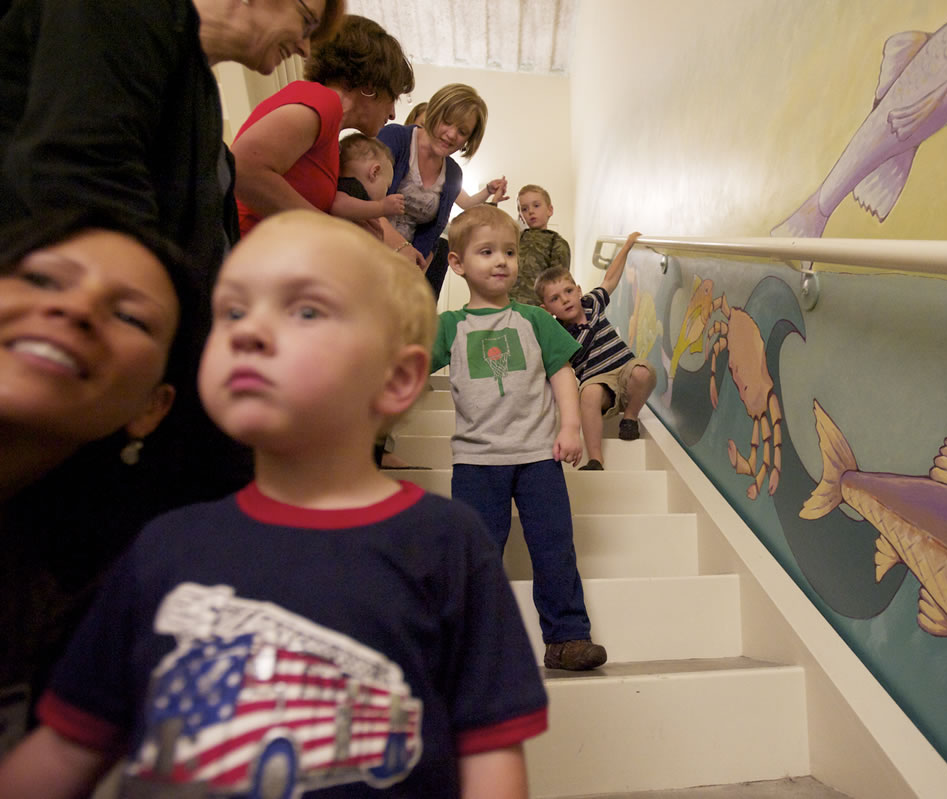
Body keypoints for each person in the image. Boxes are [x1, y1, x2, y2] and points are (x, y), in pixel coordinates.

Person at [0, 211, 548, 797]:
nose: (246, 332)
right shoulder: (162, 545)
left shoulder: (447, 543)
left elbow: (490, 752)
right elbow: (69, 747)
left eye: (306, 310)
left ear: (396, 379)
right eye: (232, 311)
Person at [0, 209, 202, 753]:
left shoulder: (75, 606)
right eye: (40, 278)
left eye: (131, 317)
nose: (75, 307)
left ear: (152, 408)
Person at [0, 0, 345, 288]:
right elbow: (83, 187)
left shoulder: (195, 87)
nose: (305, 46)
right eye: (307, 23)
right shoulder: (124, 12)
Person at [432, 204, 608, 672]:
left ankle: (567, 638)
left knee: (554, 546)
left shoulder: (534, 319)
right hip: (475, 462)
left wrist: (570, 427)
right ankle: (473, 645)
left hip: (537, 456)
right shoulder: (449, 326)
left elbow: (564, 374)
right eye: (487, 251)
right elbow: (404, 370)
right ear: (457, 263)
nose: (502, 260)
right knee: (477, 555)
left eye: (509, 251)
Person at [232, 14, 412, 238]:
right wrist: (334, 231)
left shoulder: (329, 128)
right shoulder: (324, 102)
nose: (393, 114)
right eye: (392, 96)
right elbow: (243, 168)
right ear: (371, 85)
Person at [535, 233, 656, 470]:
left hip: (625, 371)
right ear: (546, 308)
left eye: (569, 291)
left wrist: (627, 246)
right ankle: (595, 459)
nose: (566, 300)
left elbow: (610, 278)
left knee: (643, 371)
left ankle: (630, 418)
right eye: (555, 298)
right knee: (588, 394)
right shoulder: (558, 336)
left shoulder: (593, 303)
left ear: (579, 291)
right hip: (599, 385)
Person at [377, 84, 509, 266]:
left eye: (463, 132)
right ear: (434, 112)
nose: (452, 134)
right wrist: (402, 249)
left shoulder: (453, 174)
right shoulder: (395, 138)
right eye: (447, 121)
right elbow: (363, 200)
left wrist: (416, 271)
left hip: (401, 269)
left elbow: (430, 238)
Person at [513, 184, 571, 305]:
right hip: (507, 305)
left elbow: (558, 283)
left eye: (536, 205)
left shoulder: (556, 242)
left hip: (536, 309)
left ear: (550, 210)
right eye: (524, 209)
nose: (531, 211)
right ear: (521, 216)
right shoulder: (514, 238)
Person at [331, 132, 406, 223]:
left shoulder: (362, 202)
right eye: (387, 187)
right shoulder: (351, 186)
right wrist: (381, 207)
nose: (386, 194)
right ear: (374, 172)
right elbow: (338, 205)